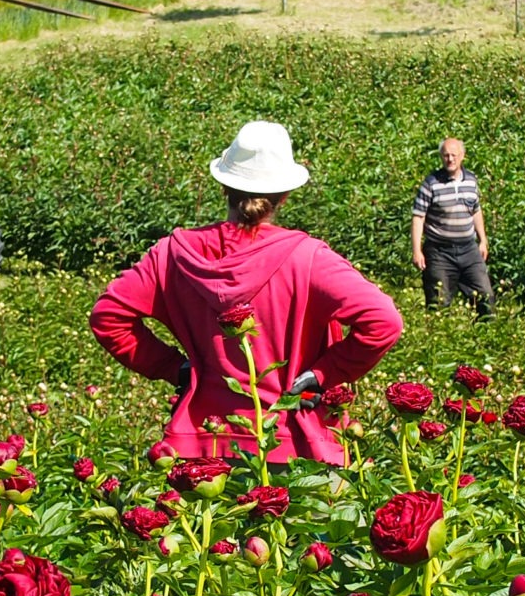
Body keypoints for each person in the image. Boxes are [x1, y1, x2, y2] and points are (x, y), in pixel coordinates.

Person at [90, 120, 403, 466]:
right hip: (294, 444)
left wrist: (174, 368)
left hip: (202, 447)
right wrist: (323, 374)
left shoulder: (173, 254)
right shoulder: (308, 258)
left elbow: (107, 317)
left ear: (224, 186)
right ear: (285, 195)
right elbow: (384, 321)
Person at [410, 136, 493, 313]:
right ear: (441, 157)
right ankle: (437, 330)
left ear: (462, 156)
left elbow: (476, 210)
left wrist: (483, 240)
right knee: (438, 302)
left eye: (454, 155)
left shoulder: (471, 180)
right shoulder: (431, 183)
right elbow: (418, 217)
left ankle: (487, 328)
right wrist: (417, 250)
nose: (450, 159)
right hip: (439, 251)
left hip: (468, 249)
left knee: (485, 297)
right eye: (446, 155)